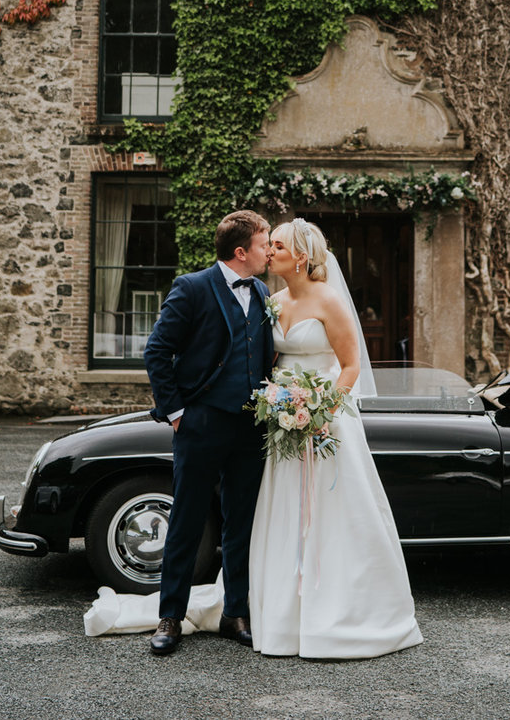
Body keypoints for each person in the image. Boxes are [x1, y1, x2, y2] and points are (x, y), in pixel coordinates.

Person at [248, 217, 422, 658]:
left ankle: (344, 613)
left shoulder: (329, 301)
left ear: (302, 257)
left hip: (325, 422)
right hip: (284, 419)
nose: (269, 252)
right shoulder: (274, 298)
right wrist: (281, 403)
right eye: (269, 246)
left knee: (333, 510)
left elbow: (350, 367)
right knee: (285, 509)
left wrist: (320, 410)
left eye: (279, 246)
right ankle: (284, 619)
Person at [142, 208, 273, 656]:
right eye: (264, 244)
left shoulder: (262, 291)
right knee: (187, 520)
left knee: (241, 521)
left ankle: (234, 612)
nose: (270, 251)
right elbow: (157, 351)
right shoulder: (192, 287)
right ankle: (170, 616)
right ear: (241, 252)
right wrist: (176, 412)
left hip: (251, 427)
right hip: (201, 423)